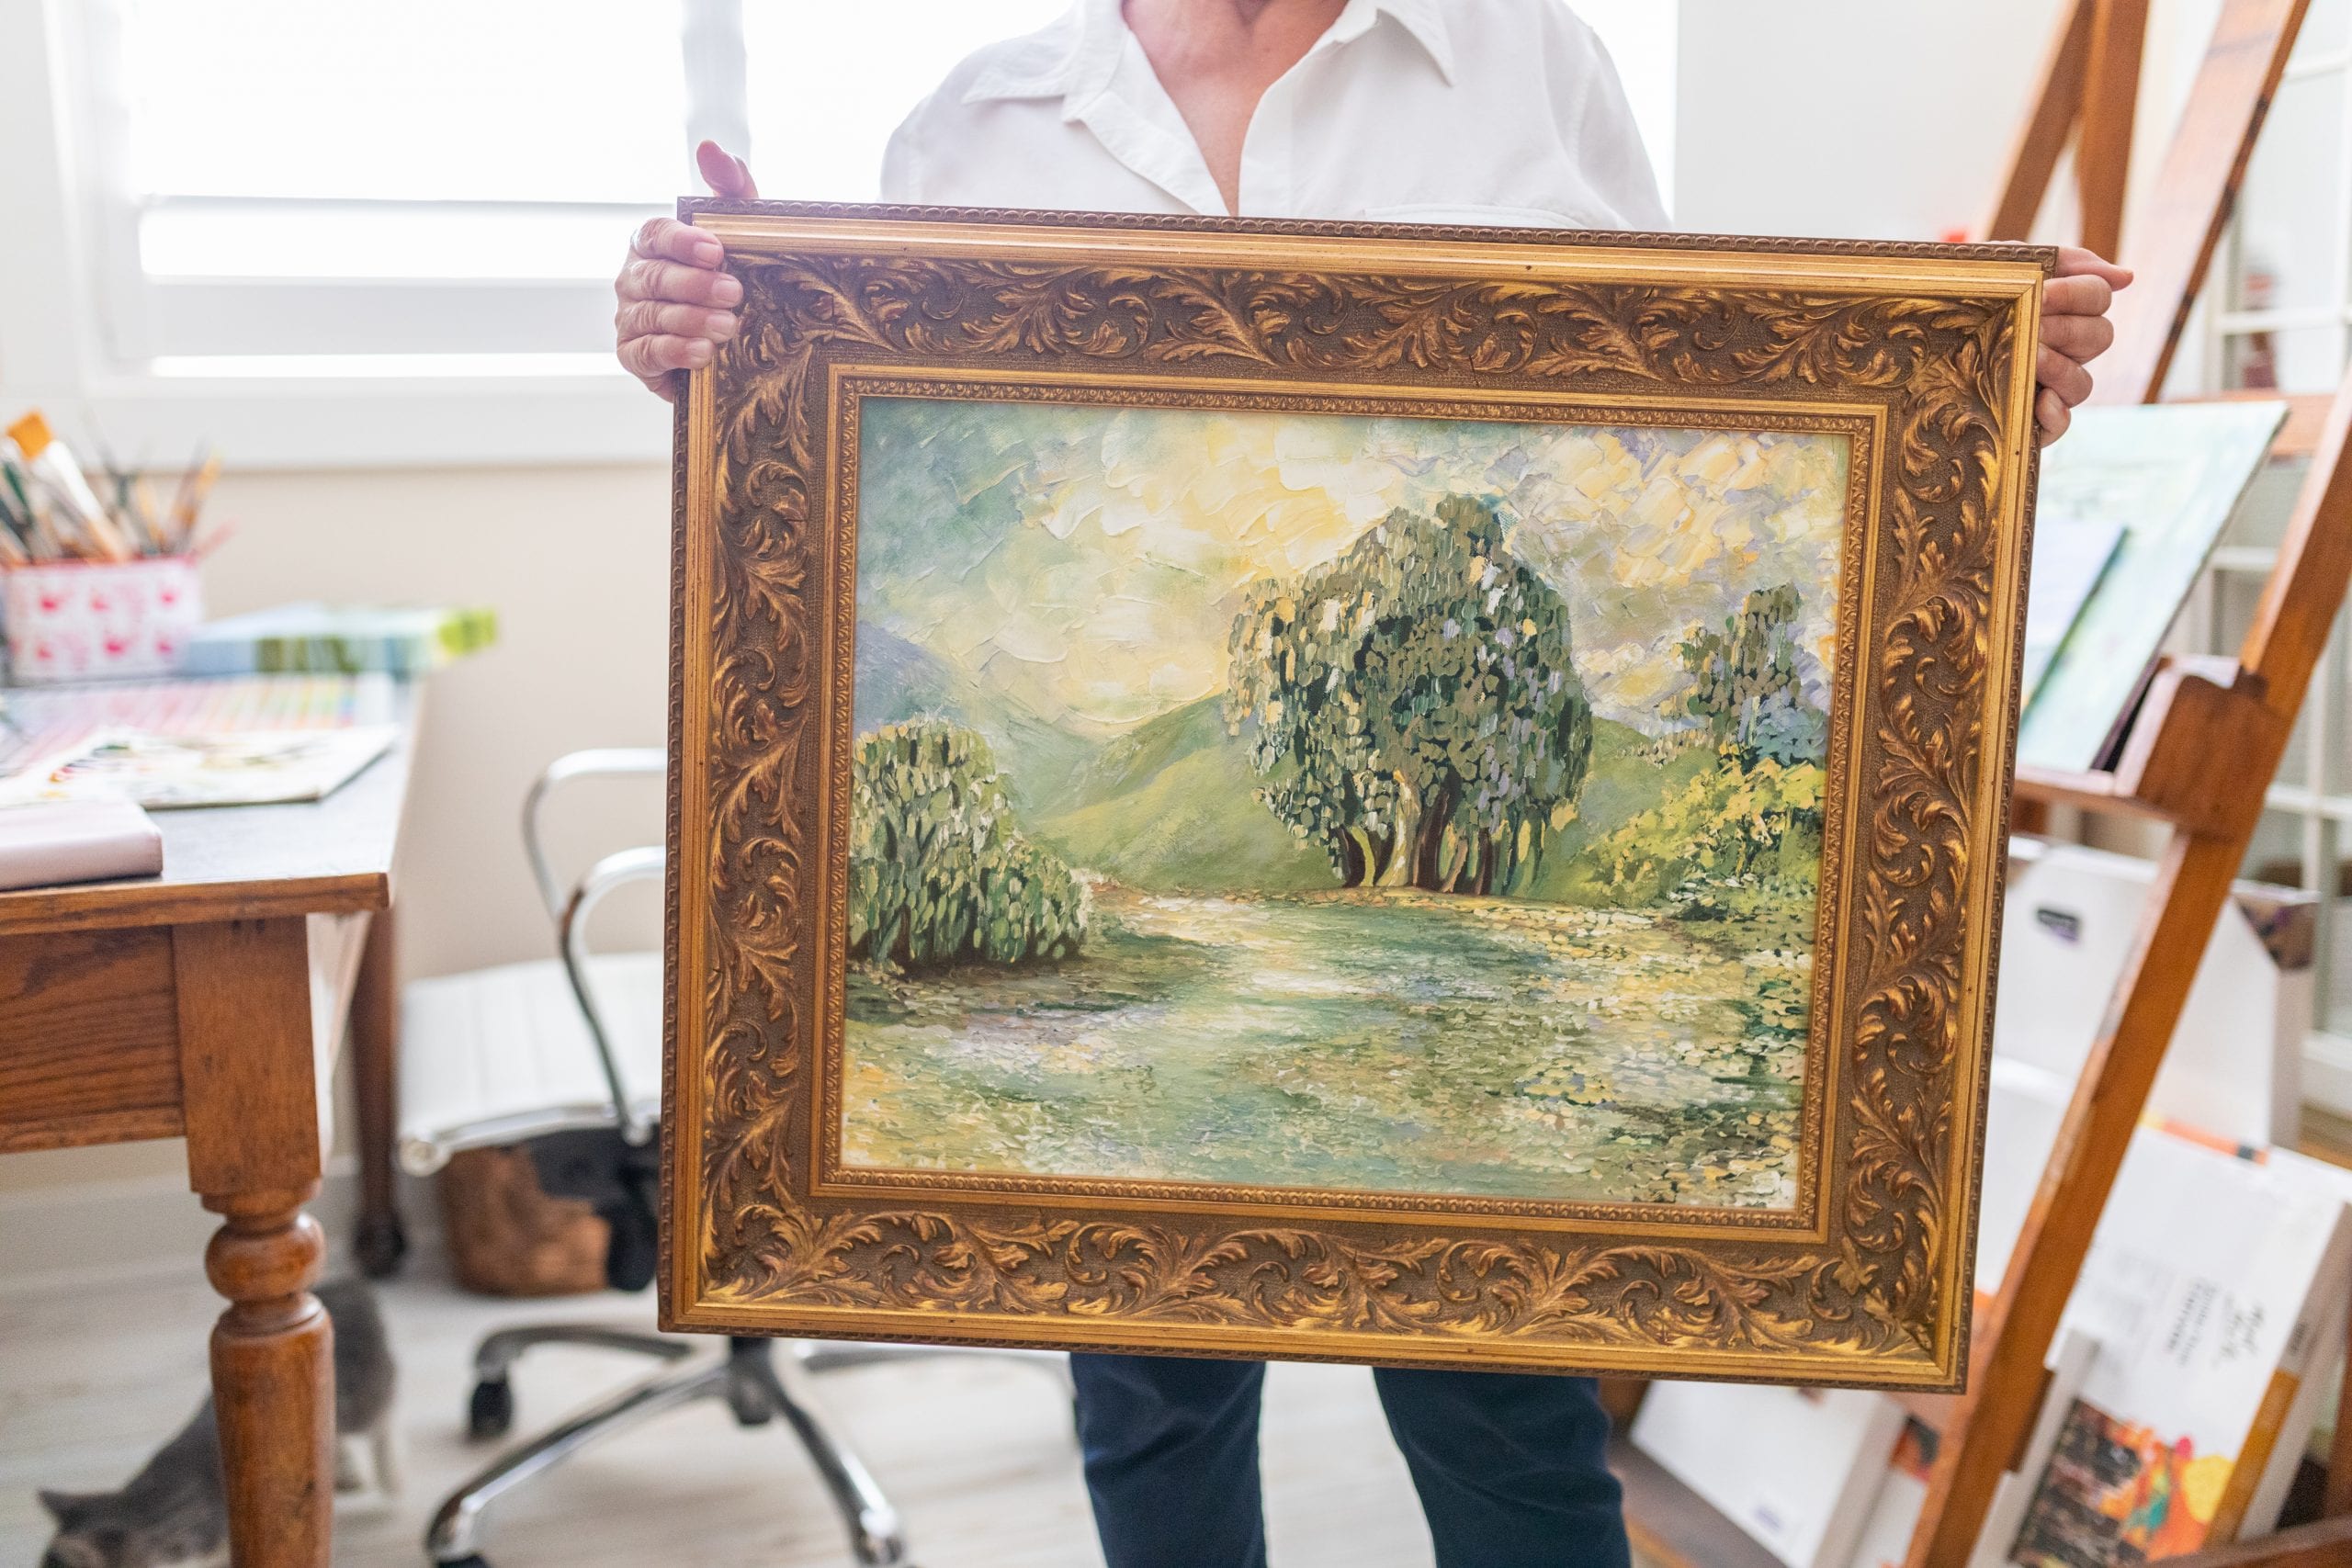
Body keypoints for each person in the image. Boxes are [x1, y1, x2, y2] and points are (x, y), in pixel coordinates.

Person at [614, 5, 2130, 1565]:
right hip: (1118, 1126)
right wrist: (721, 363)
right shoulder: (975, 123)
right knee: (1149, 1412)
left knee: (1507, 1432)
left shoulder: (1531, 65)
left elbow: (1720, 409)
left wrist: (1969, 380)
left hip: (1476, 1130)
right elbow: (847, 442)